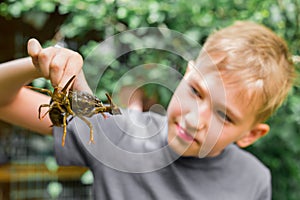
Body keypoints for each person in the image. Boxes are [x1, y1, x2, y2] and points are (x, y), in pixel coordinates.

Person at [0, 21, 296, 199]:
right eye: (195, 91)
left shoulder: (255, 180)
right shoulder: (117, 134)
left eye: (224, 115)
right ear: (185, 74)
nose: (195, 119)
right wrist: (39, 65)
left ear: (252, 134)